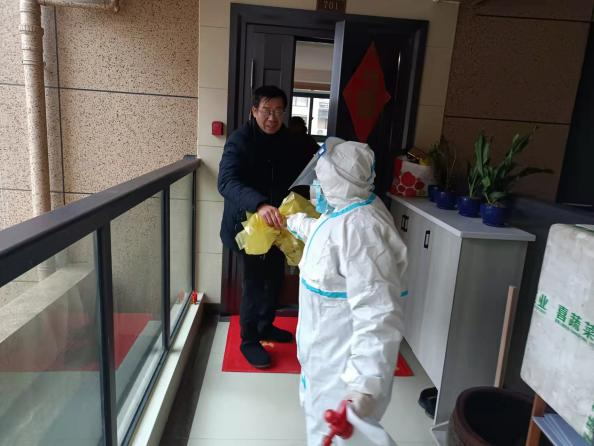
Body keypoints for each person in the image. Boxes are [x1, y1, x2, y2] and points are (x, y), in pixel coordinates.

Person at [287, 137, 408, 445]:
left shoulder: (362, 229)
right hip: (322, 359)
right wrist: (293, 222)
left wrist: (363, 388)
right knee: (318, 427)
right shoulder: (346, 209)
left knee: (335, 437)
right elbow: (324, 235)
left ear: (338, 181)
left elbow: (379, 314)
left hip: (343, 375)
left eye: (321, 178)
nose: (316, 186)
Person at [218, 85, 304, 368]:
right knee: (255, 283)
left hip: (278, 226)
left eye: (278, 111)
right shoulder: (239, 141)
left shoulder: (289, 140)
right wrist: (259, 204)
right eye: (266, 110)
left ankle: (266, 325)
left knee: (276, 278)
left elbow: (310, 162)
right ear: (254, 110)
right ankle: (249, 340)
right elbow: (226, 182)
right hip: (247, 227)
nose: (272, 117)